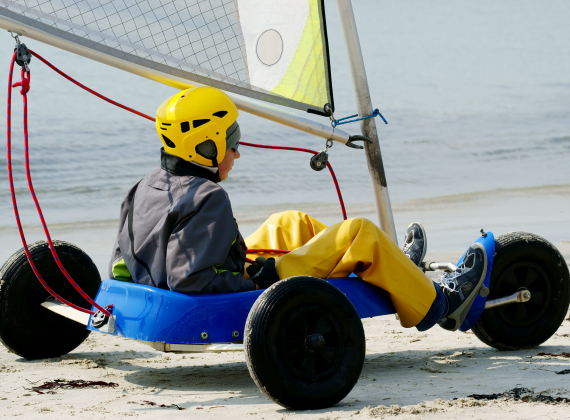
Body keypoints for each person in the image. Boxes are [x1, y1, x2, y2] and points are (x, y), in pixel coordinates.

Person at [109, 86, 487, 332]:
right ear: (205, 146)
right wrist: (257, 280)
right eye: (232, 140)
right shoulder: (208, 197)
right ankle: (442, 303)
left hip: (186, 281)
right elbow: (190, 282)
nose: (238, 151)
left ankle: (397, 267)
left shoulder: (143, 185)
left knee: (290, 223)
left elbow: (120, 265)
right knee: (360, 233)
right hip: (240, 290)